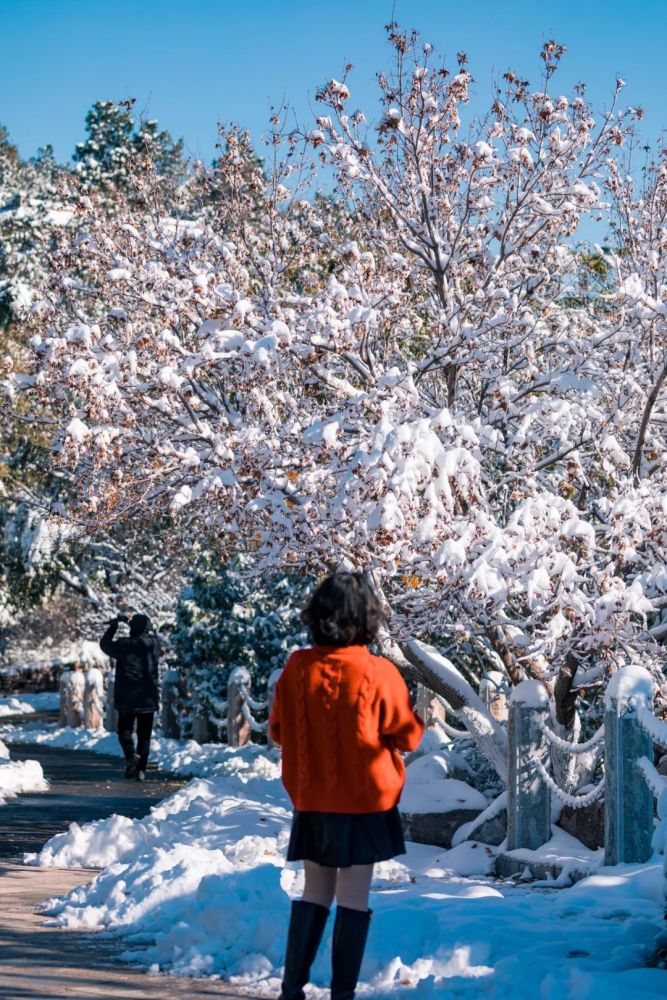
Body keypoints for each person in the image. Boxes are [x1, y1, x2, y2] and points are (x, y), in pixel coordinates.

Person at [269, 572, 424, 1000]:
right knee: (352, 898)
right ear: (366, 618)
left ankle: (292, 988)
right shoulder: (378, 671)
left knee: (314, 892)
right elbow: (408, 735)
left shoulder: (297, 667)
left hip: (313, 801)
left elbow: (278, 729)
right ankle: (342, 994)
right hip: (364, 803)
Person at [100, 612, 160, 781]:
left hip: (127, 699)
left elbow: (105, 645)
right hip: (148, 699)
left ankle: (131, 756)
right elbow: (144, 631)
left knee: (124, 731)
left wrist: (114, 626)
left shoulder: (123, 645)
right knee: (144, 735)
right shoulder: (155, 644)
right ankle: (141, 770)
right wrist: (131, 622)